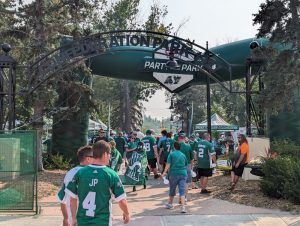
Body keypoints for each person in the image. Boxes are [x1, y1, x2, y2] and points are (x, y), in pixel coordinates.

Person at [66, 141, 130, 226]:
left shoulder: (80, 173)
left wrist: (74, 218)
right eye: (109, 154)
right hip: (102, 221)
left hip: (83, 221)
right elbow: (121, 200)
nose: (110, 156)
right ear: (105, 154)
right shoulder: (111, 174)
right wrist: (127, 213)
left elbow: (72, 198)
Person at [57, 146, 94, 226]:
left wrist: (65, 218)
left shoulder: (71, 172)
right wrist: (68, 218)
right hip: (80, 214)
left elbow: (62, 197)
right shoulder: (86, 173)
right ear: (88, 159)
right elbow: (64, 197)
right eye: (94, 156)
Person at [161, 141, 188, 213]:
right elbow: (185, 164)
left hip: (173, 174)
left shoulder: (171, 154)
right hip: (183, 174)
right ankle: (183, 207)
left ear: (174, 147)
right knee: (182, 191)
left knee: (172, 189)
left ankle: (170, 204)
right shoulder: (183, 155)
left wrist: (164, 173)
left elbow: (168, 165)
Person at [177, 132, 194, 199]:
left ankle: (180, 196)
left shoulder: (176, 146)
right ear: (185, 138)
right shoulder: (188, 146)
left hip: (178, 166)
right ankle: (185, 197)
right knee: (186, 183)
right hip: (187, 166)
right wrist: (191, 167)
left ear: (178, 138)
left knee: (179, 182)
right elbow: (192, 159)